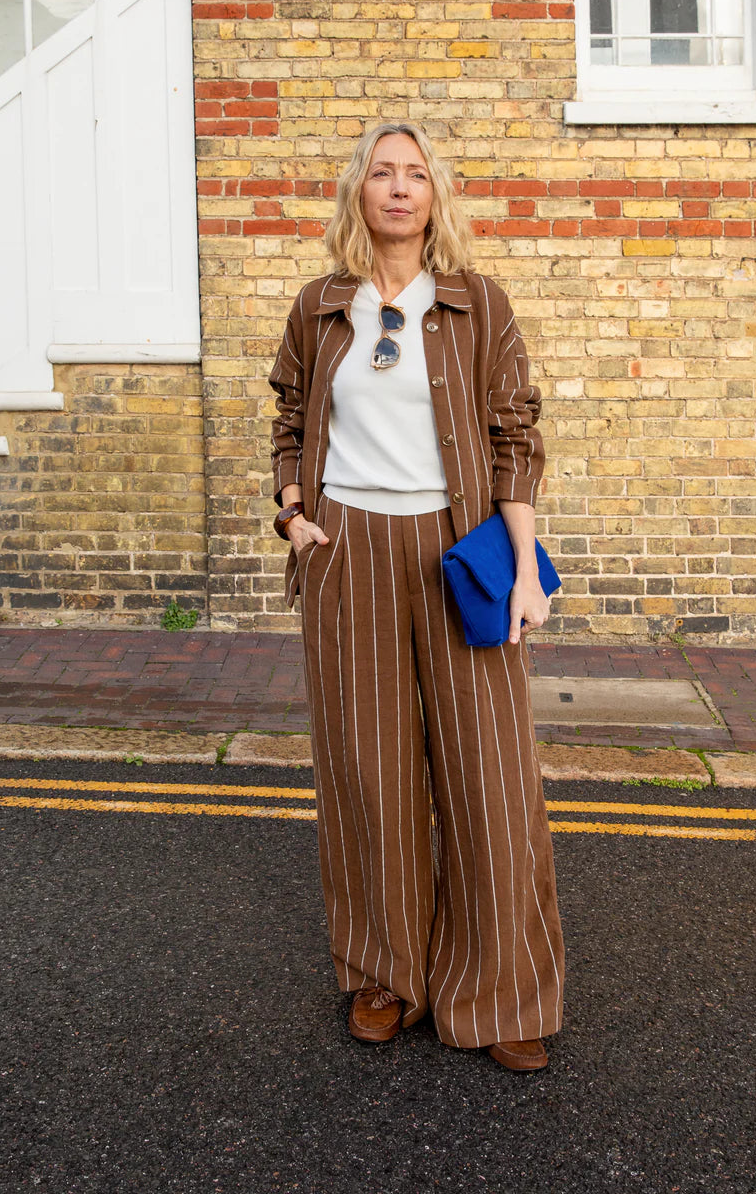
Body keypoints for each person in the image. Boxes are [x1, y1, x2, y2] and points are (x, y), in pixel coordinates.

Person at [269, 122, 565, 1072]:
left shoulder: (478, 303)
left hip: (458, 549)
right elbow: (288, 415)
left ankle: (503, 991)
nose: (399, 189)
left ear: (436, 195)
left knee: (492, 778)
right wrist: (292, 514)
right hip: (347, 549)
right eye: (382, 173)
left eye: (417, 175)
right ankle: (385, 975)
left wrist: (526, 570)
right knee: (371, 775)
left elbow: (514, 437)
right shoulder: (321, 307)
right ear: (358, 191)